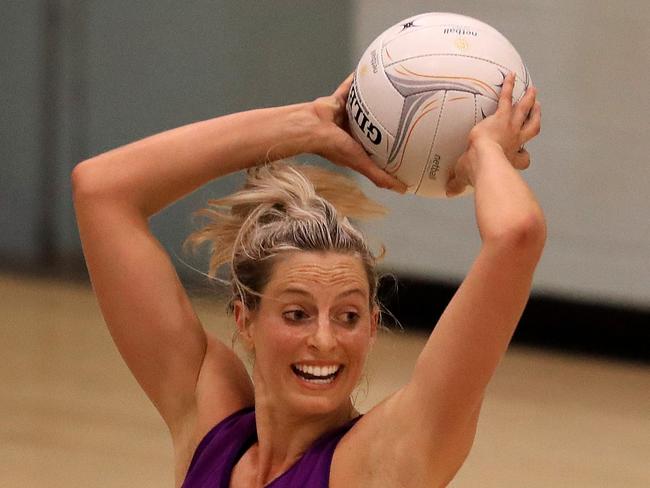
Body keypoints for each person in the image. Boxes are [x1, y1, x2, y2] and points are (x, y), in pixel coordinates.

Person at [72, 71, 544, 487]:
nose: (324, 340)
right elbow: (101, 190)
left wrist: (486, 152)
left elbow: (515, 236)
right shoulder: (211, 427)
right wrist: (308, 126)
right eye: (297, 314)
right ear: (244, 320)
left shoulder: (386, 459)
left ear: (373, 327)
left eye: (348, 316)